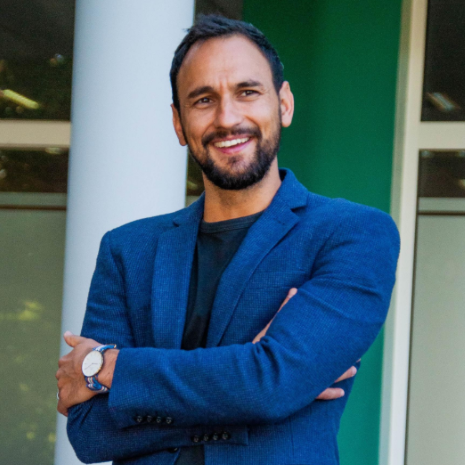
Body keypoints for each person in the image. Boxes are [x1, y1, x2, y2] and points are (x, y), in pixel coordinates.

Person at [56, 14, 400, 465]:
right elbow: (90, 433)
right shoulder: (128, 250)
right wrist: (251, 387)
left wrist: (108, 367)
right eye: (203, 100)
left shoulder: (353, 234)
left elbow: (271, 384)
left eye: (247, 92)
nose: (227, 118)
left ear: (284, 104)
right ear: (179, 124)